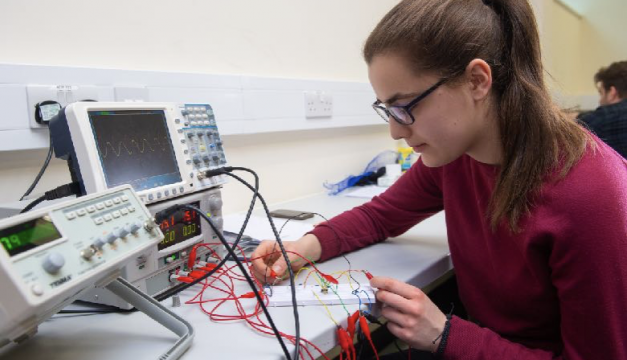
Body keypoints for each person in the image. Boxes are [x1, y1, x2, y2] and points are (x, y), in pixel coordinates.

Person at [251, 0, 627, 359]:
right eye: (387, 110)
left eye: (405, 107)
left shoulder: (592, 195)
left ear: (477, 81)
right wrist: (302, 248)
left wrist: (445, 335)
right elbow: (379, 216)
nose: (396, 132)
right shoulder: (455, 155)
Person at [578, 61, 627, 158]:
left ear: (612, 92)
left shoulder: (606, 118)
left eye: (601, 93)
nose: (600, 101)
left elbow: (577, 127)